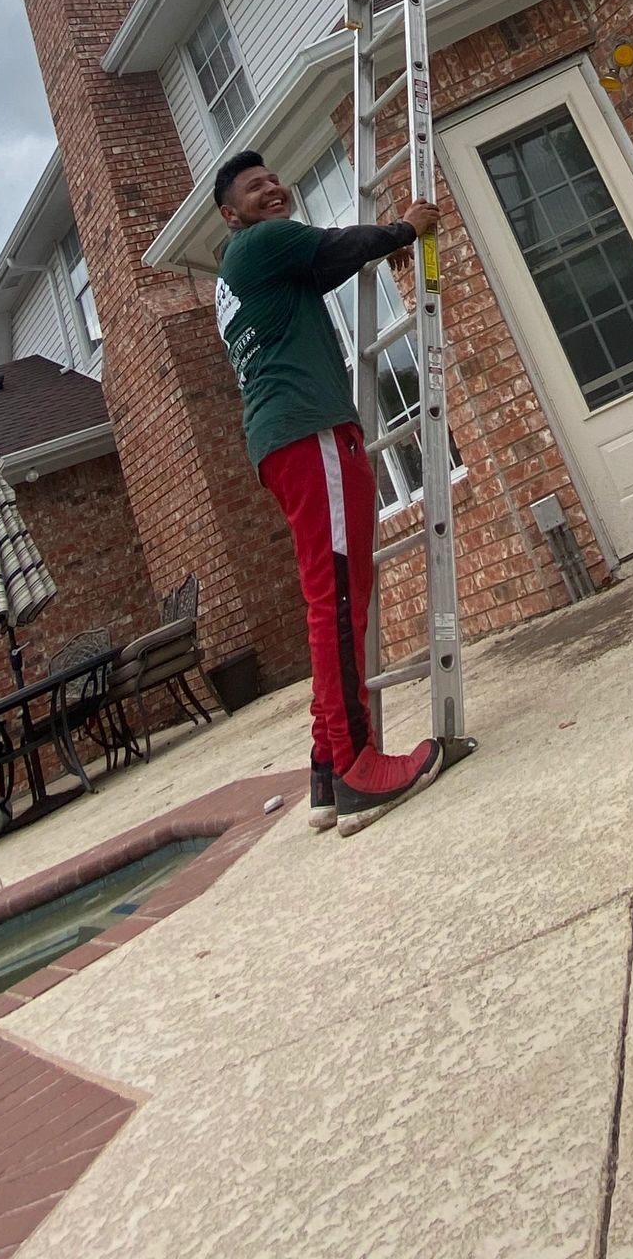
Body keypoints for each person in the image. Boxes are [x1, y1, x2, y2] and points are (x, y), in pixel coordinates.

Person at [212, 149, 447, 837]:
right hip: (311, 432)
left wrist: (381, 248)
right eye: (256, 189)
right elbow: (336, 244)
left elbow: (329, 263)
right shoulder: (260, 243)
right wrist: (406, 229)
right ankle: (354, 767)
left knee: (330, 593)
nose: (272, 189)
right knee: (339, 595)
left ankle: (324, 766)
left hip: (286, 440)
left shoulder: (257, 271)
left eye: (272, 180)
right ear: (233, 216)